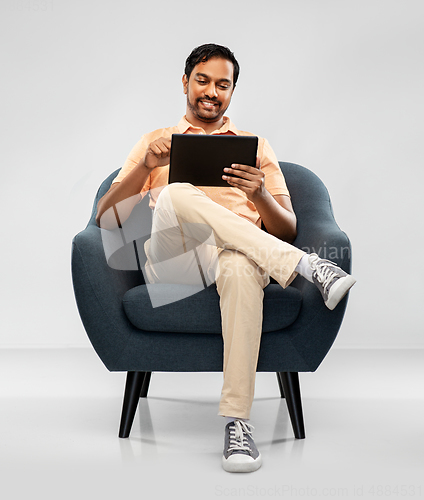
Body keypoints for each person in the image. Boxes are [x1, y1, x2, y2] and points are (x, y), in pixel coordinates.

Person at [96, 43, 356, 473]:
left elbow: (287, 228)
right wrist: (145, 167)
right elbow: (108, 221)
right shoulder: (154, 144)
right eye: (202, 80)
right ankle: (307, 267)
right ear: (185, 83)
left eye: (223, 84)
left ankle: (238, 425)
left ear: (233, 91)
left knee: (239, 262)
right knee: (179, 192)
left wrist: (258, 195)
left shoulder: (257, 148)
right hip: (173, 264)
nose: (211, 92)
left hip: (240, 259)